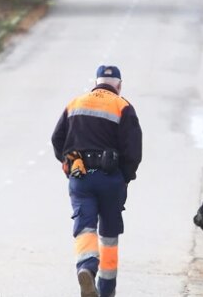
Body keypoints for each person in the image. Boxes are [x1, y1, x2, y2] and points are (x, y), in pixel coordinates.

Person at [51, 65, 142, 297]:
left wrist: (69, 165)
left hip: (80, 178)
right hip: (111, 180)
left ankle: (86, 268)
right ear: (119, 86)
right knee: (109, 235)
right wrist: (125, 178)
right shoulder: (122, 106)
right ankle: (106, 289)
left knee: (85, 227)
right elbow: (133, 151)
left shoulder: (76, 103)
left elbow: (57, 139)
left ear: (95, 82)